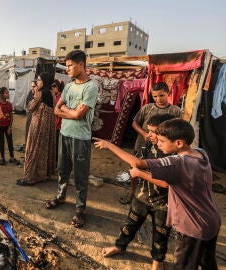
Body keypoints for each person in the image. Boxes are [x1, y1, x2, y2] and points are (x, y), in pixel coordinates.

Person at [95, 119, 221, 270]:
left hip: (193, 227)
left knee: (184, 265)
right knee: (207, 262)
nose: (158, 143)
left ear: (179, 143)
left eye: (162, 141)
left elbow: (138, 163)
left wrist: (109, 145)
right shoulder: (201, 153)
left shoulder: (177, 163)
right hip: (211, 220)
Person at [93, 113, 176, 270]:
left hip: (164, 203)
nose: (149, 134)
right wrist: (132, 191)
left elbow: (165, 182)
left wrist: (110, 145)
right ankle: (119, 246)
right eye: (148, 130)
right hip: (142, 195)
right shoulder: (148, 146)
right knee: (130, 224)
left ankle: (157, 261)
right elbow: (135, 168)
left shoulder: (173, 153)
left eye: (154, 132)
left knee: (161, 233)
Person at [44, 50, 98, 228]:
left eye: (69, 66)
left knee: (81, 175)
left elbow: (79, 115)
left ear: (81, 64)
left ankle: (80, 209)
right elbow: (56, 110)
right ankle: (60, 197)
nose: (67, 70)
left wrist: (67, 110)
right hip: (65, 134)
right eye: (66, 66)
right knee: (62, 170)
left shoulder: (91, 87)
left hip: (81, 138)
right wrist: (71, 112)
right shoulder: (68, 86)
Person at [119, 82, 181, 204]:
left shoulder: (176, 111)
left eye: (161, 95)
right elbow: (134, 123)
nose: (158, 99)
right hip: (142, 145)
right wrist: (144, 134)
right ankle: (131, 194)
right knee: (135, 169)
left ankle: (156, 198)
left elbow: (177, 129)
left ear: (168, 93)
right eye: (155, 96)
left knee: (159, 173)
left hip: (162, 149)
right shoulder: (147, 108)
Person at [16, 72, 56, 186]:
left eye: (39, 80)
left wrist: (34, 96)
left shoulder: (40, 93)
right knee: (43, 149)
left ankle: (29, 177)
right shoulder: (51, 93)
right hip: (48, 127)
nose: (37, 82)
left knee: (33, 149)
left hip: (37, 125)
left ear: (44, 81)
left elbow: (30, 107)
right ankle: (43, 175)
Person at [51, 79, 64, 164]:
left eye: (53, 87)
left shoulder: (61, 98)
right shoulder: (55, 97)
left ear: (57, 87)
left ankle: (56, 162)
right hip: (54, 123)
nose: (52, 89)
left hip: (59, 124)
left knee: (57, 145)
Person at [24, 80, 37, 146]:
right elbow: (27, 104)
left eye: (34, 86)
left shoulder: (39, 95)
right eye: (31, 86)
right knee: (27, 131)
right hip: (30, 116)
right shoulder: (30, 93)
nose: (32, 88)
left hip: (35, 118)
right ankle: (27, 146)